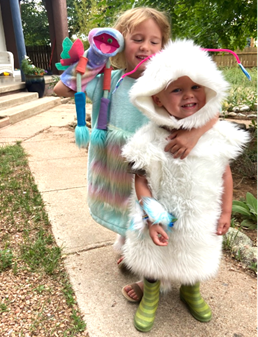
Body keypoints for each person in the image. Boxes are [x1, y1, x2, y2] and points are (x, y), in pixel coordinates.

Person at [54, 7, 218, 298]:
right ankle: (130, 251)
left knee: (148, 215)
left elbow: (211, 111)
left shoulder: (168, 84)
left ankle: (150, 279)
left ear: (164, 47)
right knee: (122, 209)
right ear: (120, 42)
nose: (146, 47)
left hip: (152, 166)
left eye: (155, 41)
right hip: (115, 165)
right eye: (137, 38)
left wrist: (192, 135)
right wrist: (95, 56)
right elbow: (61, 89)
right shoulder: (110, 78)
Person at [121, 39, 250, 332]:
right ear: (156, 98)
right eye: (176, 89)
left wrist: (226, 211)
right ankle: (151, 293)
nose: (189, 96)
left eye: (195, 87)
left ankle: (191, 289)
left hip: (200, 215)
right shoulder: (148, 138)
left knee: (195, 251)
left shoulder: (216, 136)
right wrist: (151, 217)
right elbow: (140, 179)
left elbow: (224, 174)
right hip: (157, 215)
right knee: (153, 255)